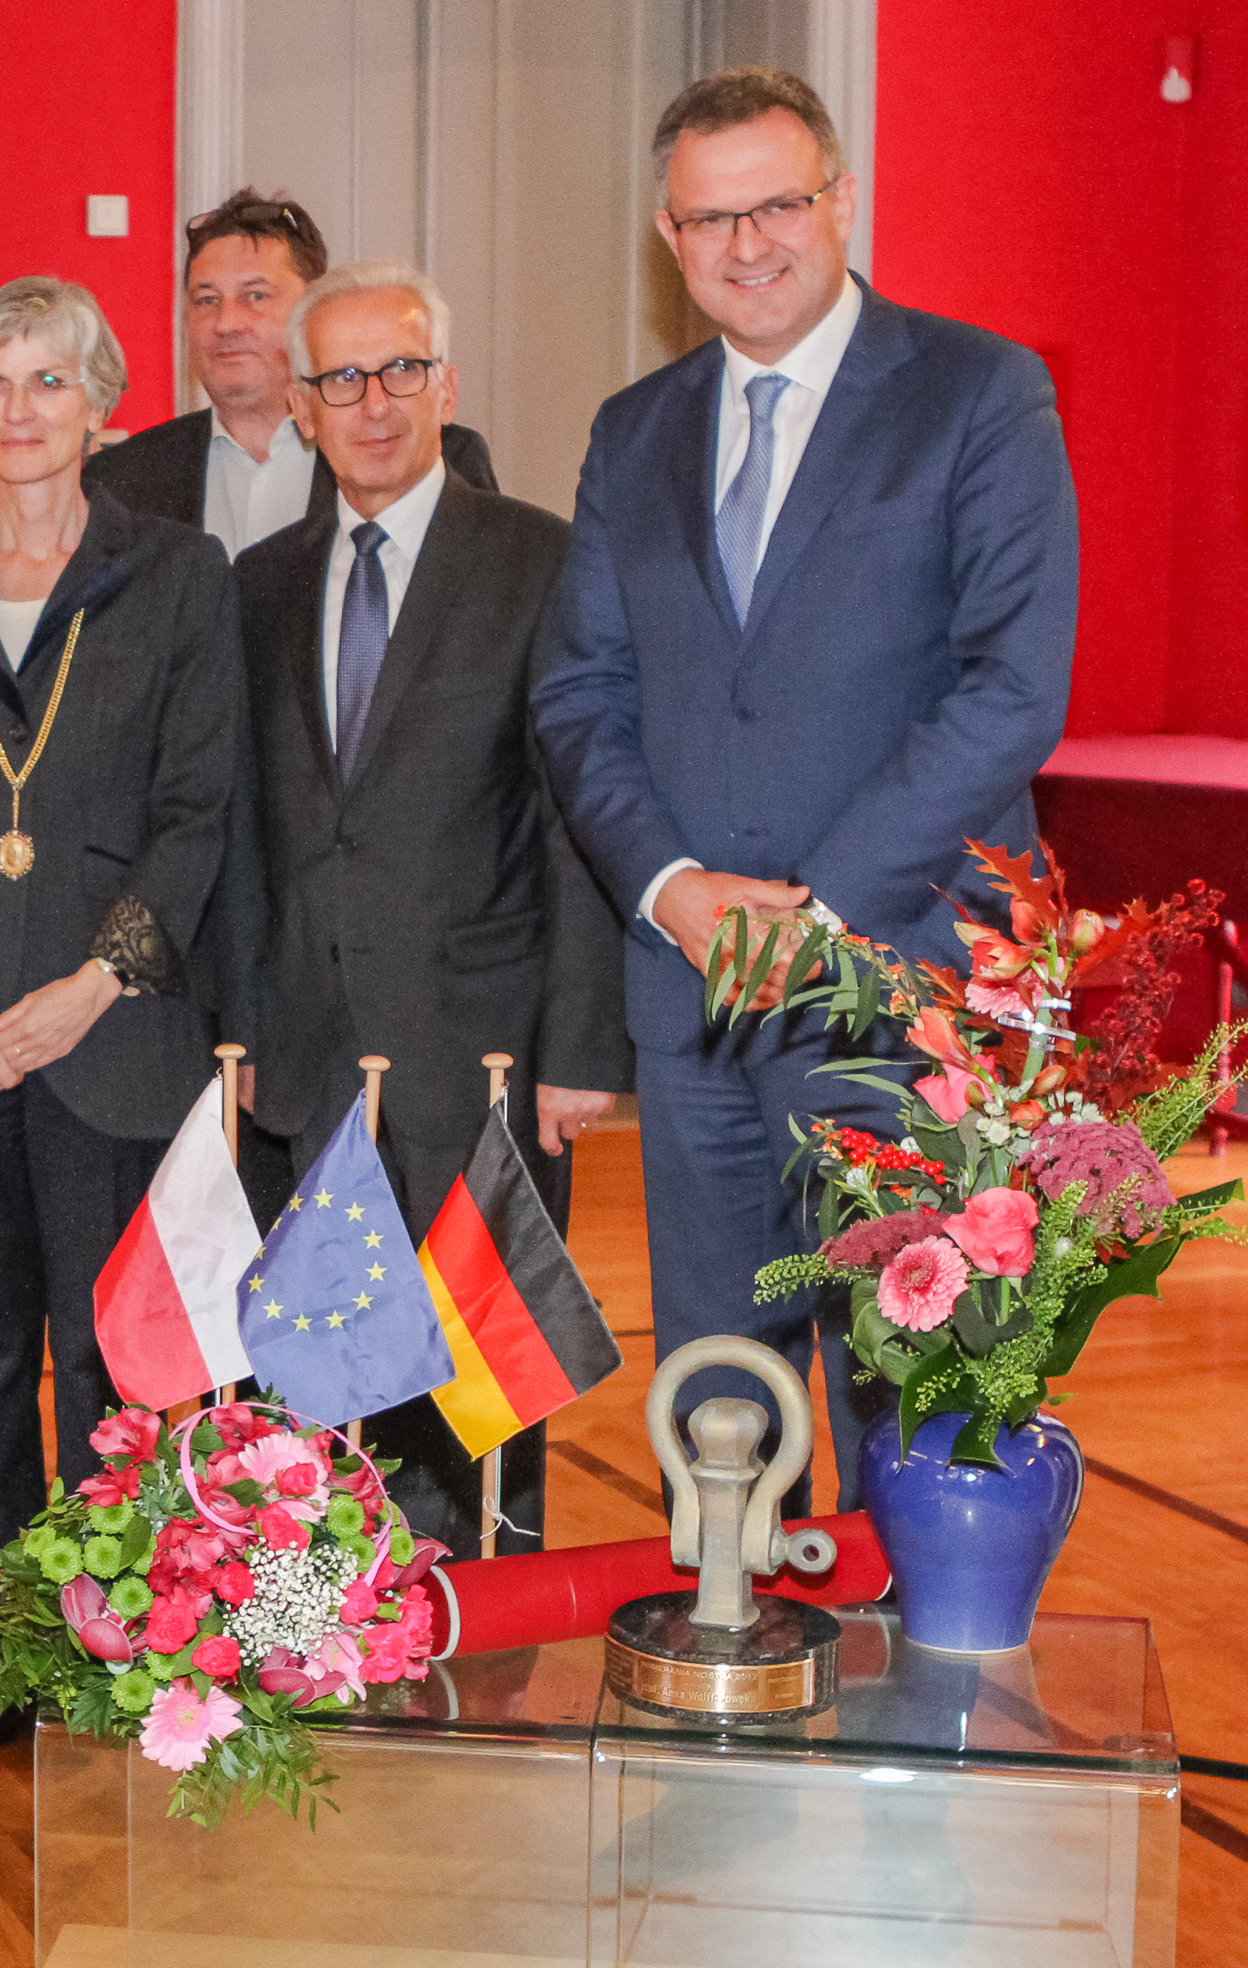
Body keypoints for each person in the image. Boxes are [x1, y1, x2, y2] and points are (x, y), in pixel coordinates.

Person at [531, 66, 1077, 1510]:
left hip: (898, 983)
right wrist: (670, 892)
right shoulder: (631, 431)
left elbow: (1008, 690)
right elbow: (579, 692)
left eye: (776, 203)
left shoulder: (975, 391)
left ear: (838, 200)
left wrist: (813, 908)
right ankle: (739, 1666)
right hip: (693, 991)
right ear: (667, 235)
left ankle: (916, 1698)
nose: (746, 242)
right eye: (710, 218)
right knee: (719, 1389)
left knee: (909, 1385)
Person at [0, 276, 244, 1758]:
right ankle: (4, 1650)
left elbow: (198, 808)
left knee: (107, 1370)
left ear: (103, 406)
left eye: (48, 382)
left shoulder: (180, 571)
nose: (18, 410)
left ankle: (114, 1656)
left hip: (111, 1038)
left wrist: (93, 985)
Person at [228, 261, 627, 1558]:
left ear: (445, 385)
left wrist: (579, 1055)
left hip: (482, 1060)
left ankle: (486, 1655)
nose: (375, 402)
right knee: (322, 1389)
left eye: (401, 370)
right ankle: (331, 1643)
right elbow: (246, 830)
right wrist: (228, 1042)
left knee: (474, 1394)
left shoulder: (540, 562)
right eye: (341, 379)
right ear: (299, 406)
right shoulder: (260, 585)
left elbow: (578, 822)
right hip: (300, 1062)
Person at [84, 187, 496, 555]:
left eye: (256, 295)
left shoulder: (435, 455)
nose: (227, 323)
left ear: (311, 312)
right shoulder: (121, 479)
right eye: (206, 300)